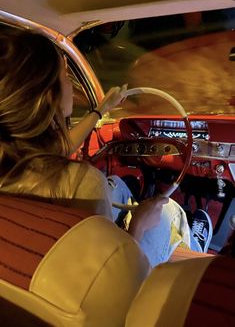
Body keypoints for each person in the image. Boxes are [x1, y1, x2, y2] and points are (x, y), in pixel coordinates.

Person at [0, 29, 212, 267]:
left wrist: (101, 109)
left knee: (116, 185)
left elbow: (59, 148)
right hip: (109, 278)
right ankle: (195, 245)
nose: (71, 86)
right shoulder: (81, 182)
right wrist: (138, 224)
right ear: (51, 97)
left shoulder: (14, 160)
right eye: (66, 77)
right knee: (169, 211)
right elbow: (111, 276)